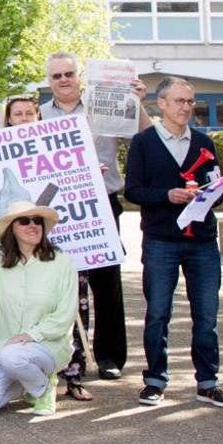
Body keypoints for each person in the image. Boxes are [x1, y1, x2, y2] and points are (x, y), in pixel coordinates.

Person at [123, 77, 223, 408]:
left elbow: (219, 189)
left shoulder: (204, 143)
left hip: (202, 241)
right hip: (161, 240)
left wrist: (210, 194)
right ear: (162, 104)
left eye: (191, 101)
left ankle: (208, 382)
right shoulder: (143, 142)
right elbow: (133, 191)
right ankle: (155, 380)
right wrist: (167, 196)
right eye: (181, 101)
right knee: (158, 312)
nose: (187, 107)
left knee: (207, 314)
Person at [42, 50, 143, 381]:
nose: (64, 80)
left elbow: (145, 135)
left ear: (79, 76)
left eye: (68, 74)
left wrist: (135, 102)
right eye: (57, 76)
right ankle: (70, 356)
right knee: (63, 286)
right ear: (49, 81)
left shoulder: (104, 105)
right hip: (58, 209)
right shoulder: (39, 115)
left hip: (102, 203)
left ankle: (110, 356)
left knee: (106, 281)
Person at [0, 177, 77, 416]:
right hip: (3, 347)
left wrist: (31, 335)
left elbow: (65, 315)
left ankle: (42, 387)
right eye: (24, 221)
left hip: (45, 347)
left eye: (37, 220)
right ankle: (27, 384)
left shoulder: (62, 263)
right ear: (12, 229)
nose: (33, 225)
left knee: (13, 356)